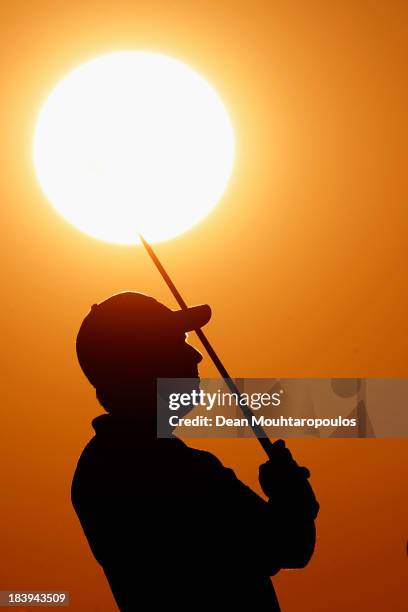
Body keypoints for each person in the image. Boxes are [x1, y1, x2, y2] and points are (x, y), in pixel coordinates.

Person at [72, 291, 319, 611]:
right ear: (144, 360)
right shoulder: (178, 470)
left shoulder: (98, 467)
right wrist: (292, 497)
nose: (195, 356)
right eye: (177, 342)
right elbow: (289, 545)